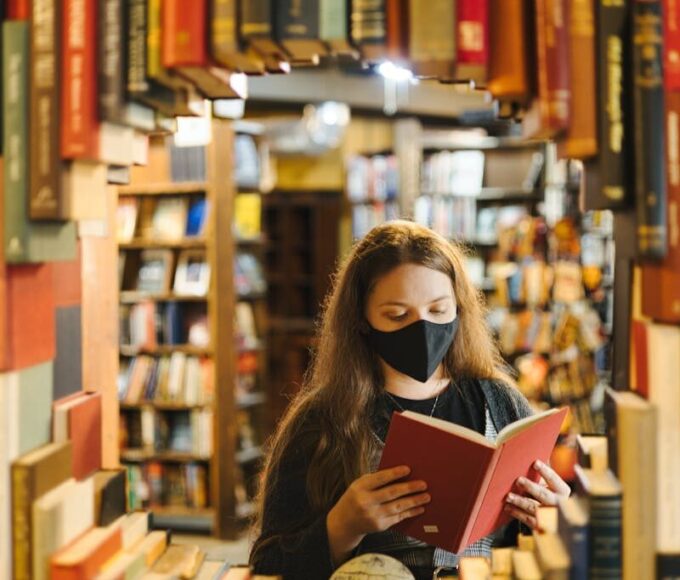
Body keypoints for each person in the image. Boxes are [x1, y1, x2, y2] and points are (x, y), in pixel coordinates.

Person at [250, 221, 570, 580]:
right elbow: (267, 563)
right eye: (398, 315)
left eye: (438, 311)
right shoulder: (322, 420)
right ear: (360, 319)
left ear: (460, 309)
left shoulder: (499, 401)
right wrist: (341, 526)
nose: (423, 330)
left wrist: (558, 517)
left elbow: (537, 550)